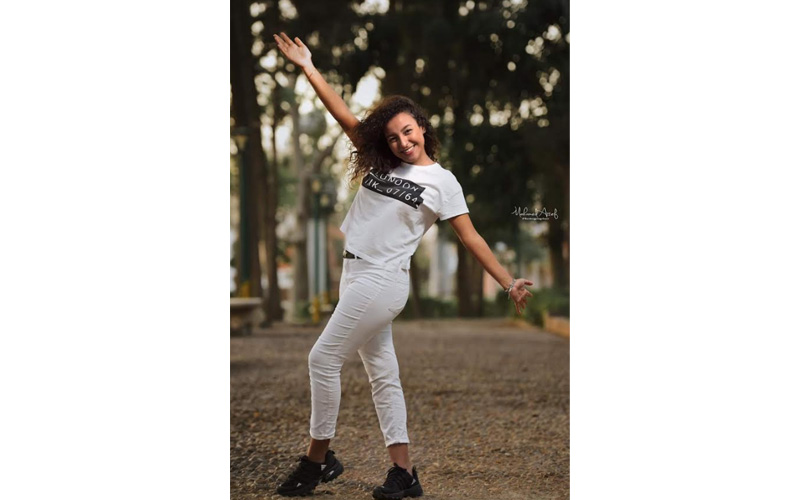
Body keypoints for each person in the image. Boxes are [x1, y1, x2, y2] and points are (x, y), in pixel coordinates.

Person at [271, 32, 534, 499]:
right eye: (393, 137)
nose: (402, 142)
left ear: (423, 128)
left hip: (382, 279)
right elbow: (342, 113)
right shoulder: (382, 160)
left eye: (408, 132)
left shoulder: (443, 182)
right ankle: (404, 475)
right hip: (355, 273)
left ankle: (317, 461)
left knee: (322, 359)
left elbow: (470, 237)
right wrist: (309, 68)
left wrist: (507, 281)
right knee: (383, 376)